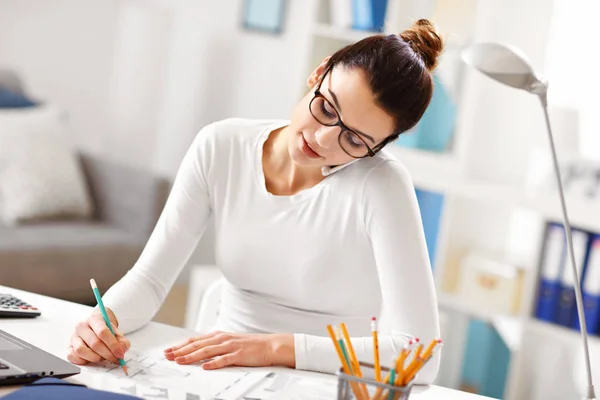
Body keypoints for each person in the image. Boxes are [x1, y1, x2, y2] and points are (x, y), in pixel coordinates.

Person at [67, 19, 445, 384]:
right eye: (327, 108)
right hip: (216, 373)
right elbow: (149, 281)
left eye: (355, 140)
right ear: (318, 73)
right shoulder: (222, 146)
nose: (325, 140)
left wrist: (274, 348)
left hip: (323, 382)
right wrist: (105, 321)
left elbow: (419, 356)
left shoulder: (381, 185)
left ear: (378, 147)